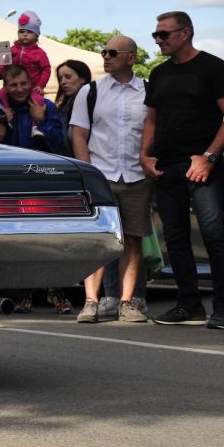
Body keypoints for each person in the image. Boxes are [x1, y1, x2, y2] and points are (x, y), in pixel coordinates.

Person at [142, 11, 224, 328]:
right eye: (155, 34)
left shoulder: (213, 67)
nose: (158, 40)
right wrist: (145, 156)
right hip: (166, 166)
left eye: (164, 34)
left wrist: (209, 157)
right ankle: (188, 305)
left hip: (203, 166)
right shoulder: (158, 73)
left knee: (213, 234)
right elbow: (152, 119)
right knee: (175, 237)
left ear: (185, 33)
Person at [70, 37, 151, 323]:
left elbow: (154, 130)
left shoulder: (148, 91)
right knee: (99, 240)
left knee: (132, 240)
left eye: (113, 52)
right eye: (103, 51)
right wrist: (88, 173)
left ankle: (126, 302)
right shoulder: (90, 91)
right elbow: (79, 134)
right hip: (100, 175)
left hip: (137, 176)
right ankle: (90, 302)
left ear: (131, 57)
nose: (106, 56)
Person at [0, 64, 66, 152]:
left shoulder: (46, 106)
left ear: (30, 83)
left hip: (39, 160)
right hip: (9, 160)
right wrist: (2, 121)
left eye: (23, 83)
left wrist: (41, 121)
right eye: (13, 85)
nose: (19, 89)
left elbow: (59, 145)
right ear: (5, 87)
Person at [0, 9, 52, 95]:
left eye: (29, 32)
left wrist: (40, 85)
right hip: (11, 88)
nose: (25, 34)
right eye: (21, 32)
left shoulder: (40, 53)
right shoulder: (11, 49)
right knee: (0, 97)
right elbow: (2, 68)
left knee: (38, 101)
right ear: (18, 34)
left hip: (32, 90)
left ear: (36, 36)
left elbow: (46, 70)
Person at [52, 59, 93, 155]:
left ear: (82, 79)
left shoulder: (92, 104)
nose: (63, 82)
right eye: (60, 79)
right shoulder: (63, 108)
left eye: (68, 77)